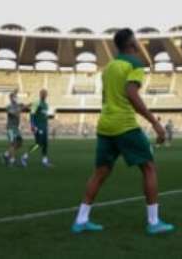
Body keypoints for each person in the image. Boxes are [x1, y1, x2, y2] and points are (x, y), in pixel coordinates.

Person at [71, 28, 174, 235]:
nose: (138, 41)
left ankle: (80, 220)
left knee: (99, 173)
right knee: (149, 168)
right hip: (125, 125)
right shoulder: (135, 63)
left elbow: (105, 98)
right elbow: (132, 94)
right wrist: (155, 122)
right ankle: (154, 223)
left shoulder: (108, 67)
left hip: (105, 125)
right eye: (136, 38)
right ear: (131, 43)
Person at [22, 89, 52, 168]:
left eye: (45, 94)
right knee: (38, 144)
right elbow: (32, 114)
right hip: (38, 127)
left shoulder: (46, 105)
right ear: (40, 94)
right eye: (42, 93)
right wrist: (32, 125)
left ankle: (44, 161)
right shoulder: (37, 103)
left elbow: (44, 116)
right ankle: (24, 157)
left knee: (45, 144)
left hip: (44, 127)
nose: (44, 95)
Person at [1, 89, 26, 166]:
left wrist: (27, 105)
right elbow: (13, 114)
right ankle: (12, 160)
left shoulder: (18, 105)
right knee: (12, 143)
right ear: (10, 98)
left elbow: (24, 106)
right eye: (14, 97)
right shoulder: (9, 107)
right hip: (10, 128)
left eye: (16, 97)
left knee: (20, 143)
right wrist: (21, 108)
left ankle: (5, 155)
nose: (16, 98)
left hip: (16, 128)